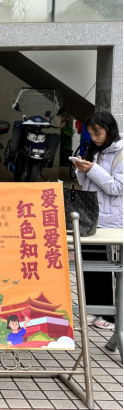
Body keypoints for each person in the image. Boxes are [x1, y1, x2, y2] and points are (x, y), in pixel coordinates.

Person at [74, 111, 123, 331]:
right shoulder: (95, 150)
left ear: (109, 130)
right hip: (90, 216)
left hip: (110, 220)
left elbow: (117, 188)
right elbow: (85, 184)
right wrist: (81, 170)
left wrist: (93, 169)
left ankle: (110, 316)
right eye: (91, 134)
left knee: (104, 268)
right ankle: (93, 309)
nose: (94, 138)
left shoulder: (121, 153)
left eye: (97, 133)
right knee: (88, 266)